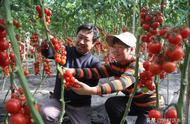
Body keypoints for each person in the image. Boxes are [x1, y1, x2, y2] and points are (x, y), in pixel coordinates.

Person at [67, 32, 158, 124]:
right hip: (134, 102)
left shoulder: (137, 66)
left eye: (120, 47)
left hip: (149, 107)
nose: (115, 50)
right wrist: (74, 71)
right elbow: (97, 72)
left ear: (131, 49)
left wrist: (92, 90)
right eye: (114, 47)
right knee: (112, 104)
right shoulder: (116, 65)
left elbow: (122, 83)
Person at [40, 23, 102, 124]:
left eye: (86, 39)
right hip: (58, 100)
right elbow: (48, 53)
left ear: (93, 43)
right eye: (79, 37)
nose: (81, 42)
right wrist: (46, 44)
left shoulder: (94, 63)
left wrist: (71, 80)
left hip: (80, 105)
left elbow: (90, 87)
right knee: (45, 113)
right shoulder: (65, 51)